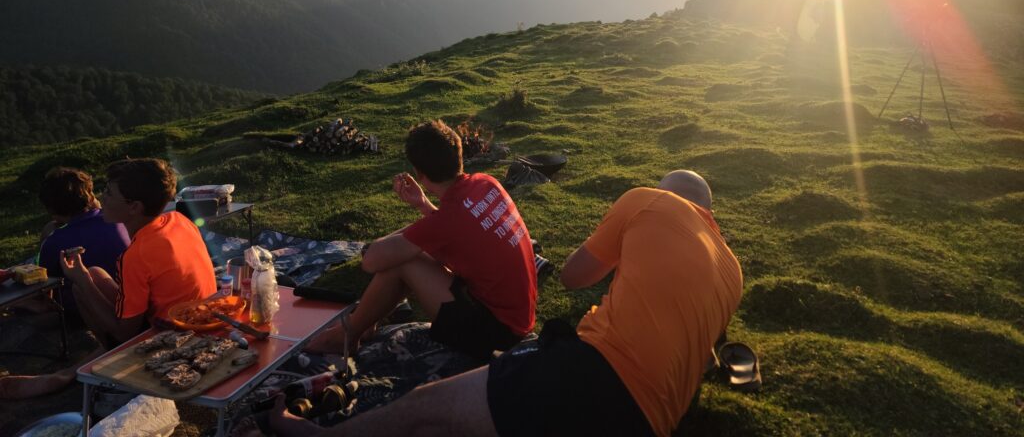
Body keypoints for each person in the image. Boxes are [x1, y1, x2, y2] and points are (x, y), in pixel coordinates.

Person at [270, 169, 742, 437]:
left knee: (423, 406)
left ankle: (314, 434)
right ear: (711, 214)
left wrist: (626, 251)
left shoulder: (648, 203)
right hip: (653, 423)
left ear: (665, 192)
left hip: (592, 373)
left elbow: (576, 276)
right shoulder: (732, 272)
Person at [309, 120, 536, 362]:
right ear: (459, 155)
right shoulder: (485, 183)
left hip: (495, 336)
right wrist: (423, 206)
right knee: (410, 253)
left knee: (404, 263)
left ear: (419, 173)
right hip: (515, 320)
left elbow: (371, 260)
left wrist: (412, 232)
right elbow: (457, 227)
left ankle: (347, 335)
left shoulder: (448, 220)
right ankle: (362, 325)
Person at [1, 157, 217, 399]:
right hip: (200, 319)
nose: (101, 198)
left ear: (134, 207)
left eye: (109, 193)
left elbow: (125, 332)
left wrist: (81, 279)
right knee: (96, 273)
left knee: (83, 286)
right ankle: (80, 366)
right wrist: (88, 276)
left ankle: (103, 367)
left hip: (174, 340)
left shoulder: (137, 255)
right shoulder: (178, 220)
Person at [36, 167, 131, 320]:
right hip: (125, 295)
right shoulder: (116, 220)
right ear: (89, 195)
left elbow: (45, 283)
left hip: (83, 308)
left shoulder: (54, 241)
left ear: (51, 209)